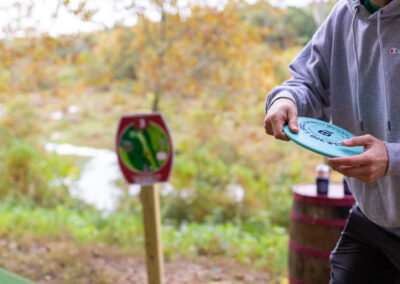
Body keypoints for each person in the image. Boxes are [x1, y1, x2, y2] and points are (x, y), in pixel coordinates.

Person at [264, 0, 400, 283]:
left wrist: (393, 156)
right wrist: (285, 99)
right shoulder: (344, 14)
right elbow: (306, 81)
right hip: (371, 219)